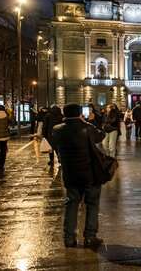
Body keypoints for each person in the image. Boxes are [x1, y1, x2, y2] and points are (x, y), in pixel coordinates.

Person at [50, 103, 105, 249]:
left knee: (71, 205)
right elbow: (101, 136)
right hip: (89, 174)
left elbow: (54, 143)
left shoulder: (57, 130)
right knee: (92, 205)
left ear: (64, 114)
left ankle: (69, 238)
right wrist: (89, 121)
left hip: (70, 174)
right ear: (80, 113)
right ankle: (89, 237)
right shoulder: (87, 127)